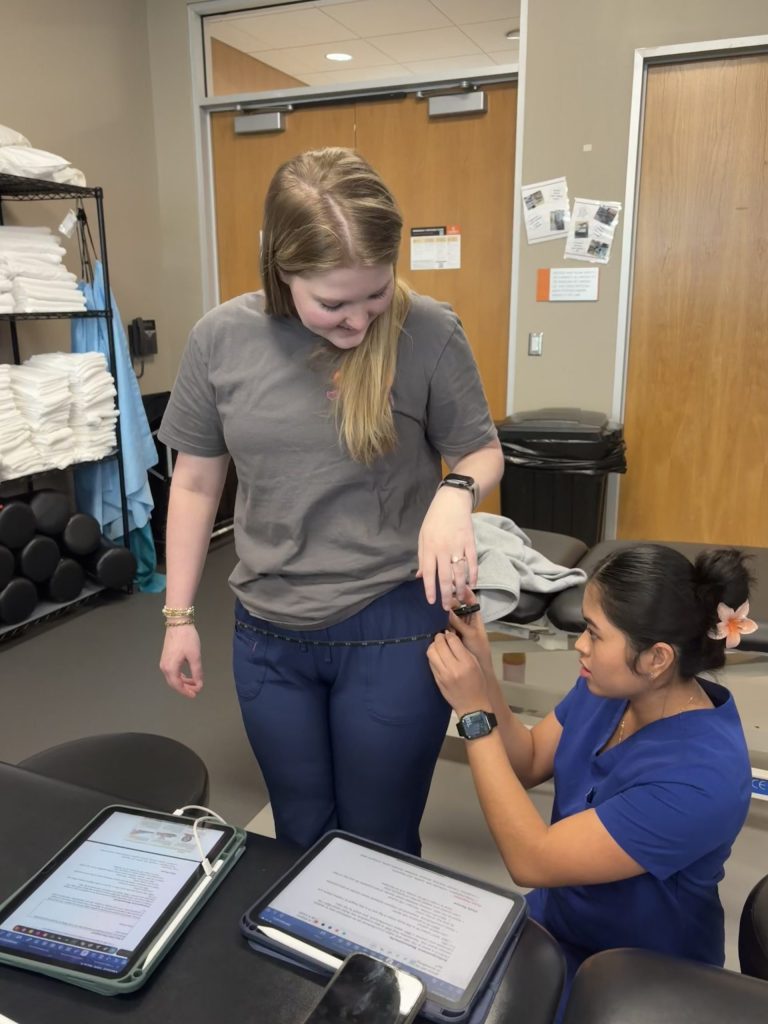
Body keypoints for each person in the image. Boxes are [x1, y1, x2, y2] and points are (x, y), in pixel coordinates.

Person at [157, 147, 504, 855]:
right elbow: (195, 484)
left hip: (390, 624)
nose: (359, 322)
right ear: (281, 272)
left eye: (374, 294)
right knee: (300, 831)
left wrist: (455, 493)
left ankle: (382, 968)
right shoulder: (220, 339)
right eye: (333, 303)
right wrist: (178, 616)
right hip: (267, 633)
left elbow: (481, 448)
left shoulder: (429, 330)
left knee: (378, 838)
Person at [427, 544, 754, 989]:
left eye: (595, 635)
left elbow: (530, 859)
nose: (580, 645)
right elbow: (528, 761)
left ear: (657, 658)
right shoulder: (612, 686)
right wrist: (482, 662)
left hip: (643, 971)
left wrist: (473, 715)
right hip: (558, 921)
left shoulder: (702, 778)